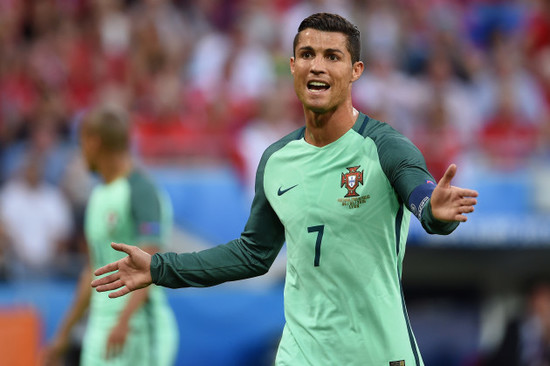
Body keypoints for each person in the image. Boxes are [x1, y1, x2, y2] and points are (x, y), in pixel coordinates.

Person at [91, 13, 478, 366]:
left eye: (332, 56)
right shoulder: (277, 160)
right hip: (301, 353)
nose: (318, 66)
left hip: (378, 353)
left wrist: (433, 211)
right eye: (307, 54)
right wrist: (161, 267)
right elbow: (252, 254)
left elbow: (422, 193)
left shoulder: (385, 145)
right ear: (293, 66)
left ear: (356, 70)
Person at [44, 106, 178, 366]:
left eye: (81, 142)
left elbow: (150, 263)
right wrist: (62, 335)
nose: (80, 151)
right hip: (101, 329)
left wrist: (124, 322)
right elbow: (92, 271)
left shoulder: (141, 190)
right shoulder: (97, 197)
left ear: (94, 142)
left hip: (138, 329)